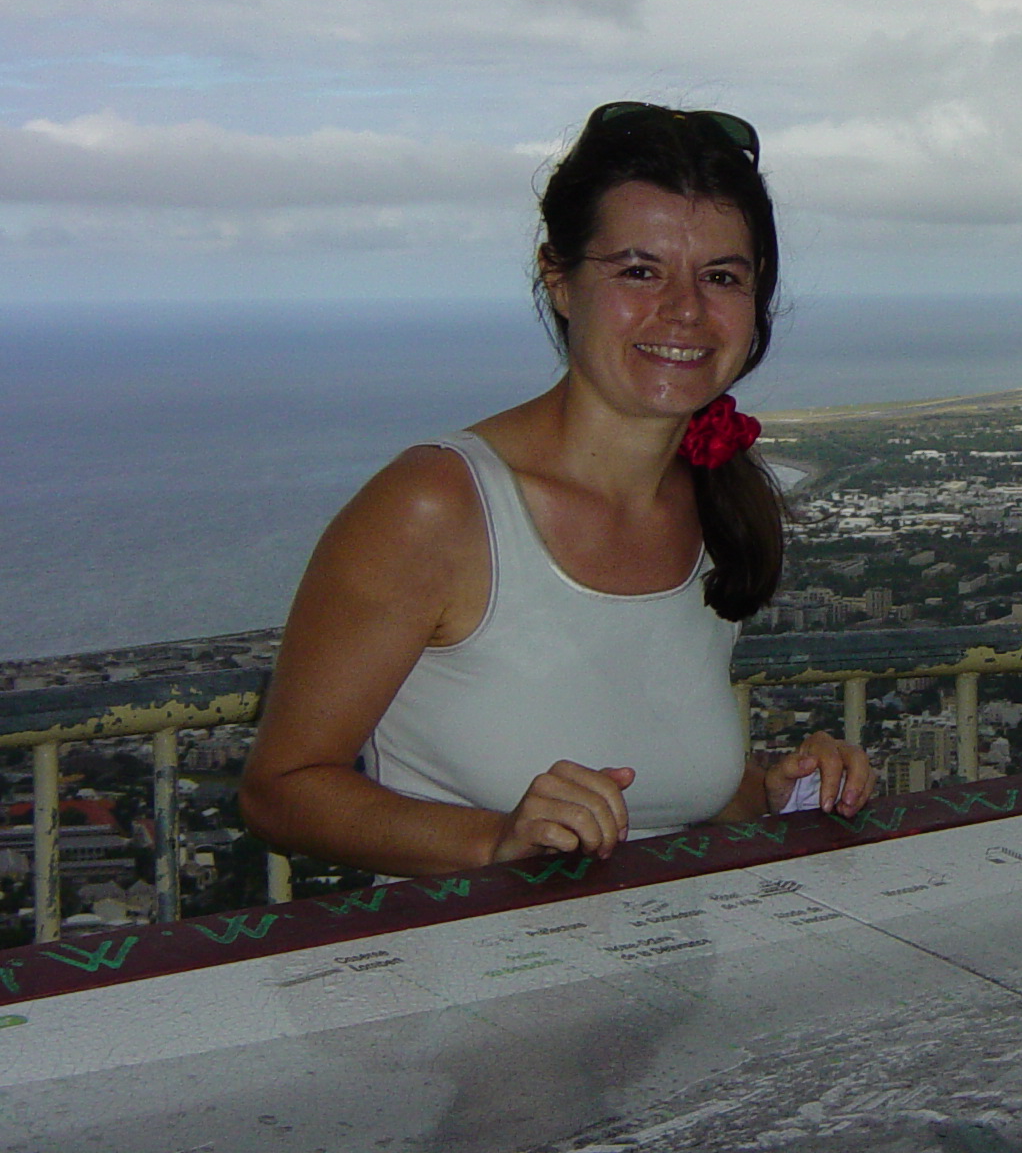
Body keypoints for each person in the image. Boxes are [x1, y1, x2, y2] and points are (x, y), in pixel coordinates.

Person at [241, 102, 871, 877]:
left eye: (721, 277)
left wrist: (770, 795)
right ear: (560, 280)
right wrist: (496, 843)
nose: (685, 309)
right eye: (639, 271)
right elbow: (280, 790)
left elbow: (652, 788)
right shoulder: (438, 506)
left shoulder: (710, 506)